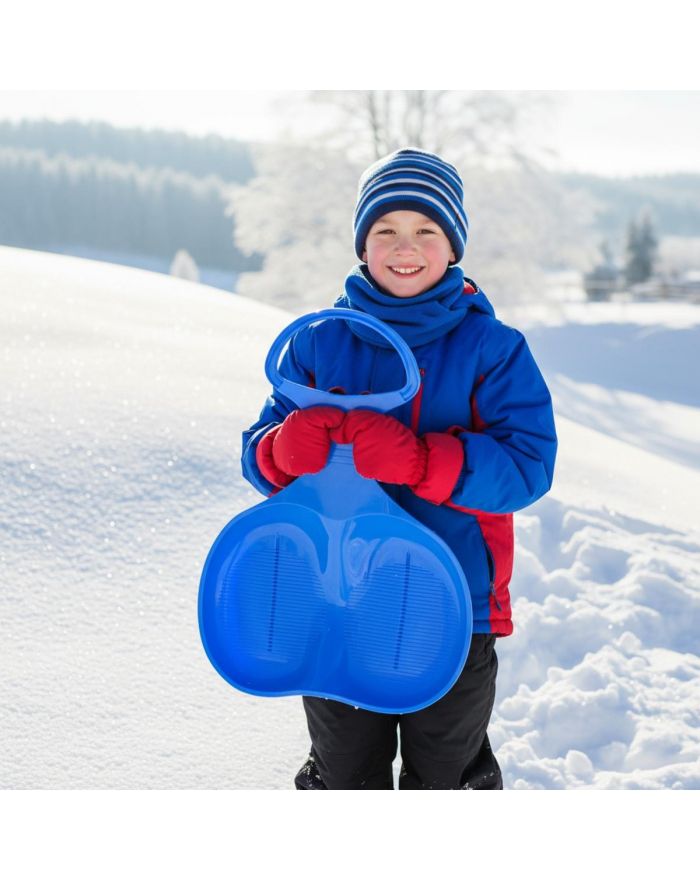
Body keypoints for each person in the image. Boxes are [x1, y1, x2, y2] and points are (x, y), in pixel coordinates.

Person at [241, 148, 557, 789]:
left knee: (444, 773)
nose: (404, 247)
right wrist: (280, 450)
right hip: (337, 595)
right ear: (362, 246)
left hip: (453, 601)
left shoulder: (491, 350)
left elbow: (528, 466)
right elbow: (259, 452)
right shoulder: (320, 341)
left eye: (426, 231)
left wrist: (421, 460)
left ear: (453, 246)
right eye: (385, 230)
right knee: (346, 772)